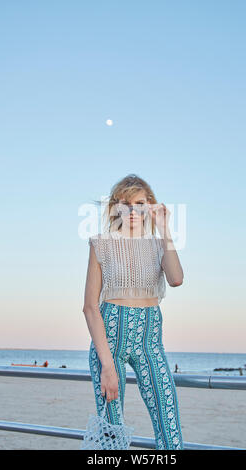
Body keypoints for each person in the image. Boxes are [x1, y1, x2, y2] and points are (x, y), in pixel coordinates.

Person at [83, 174, 184, 450]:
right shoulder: (100, 243)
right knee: (113, 435)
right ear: (115, 207)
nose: (132, 210)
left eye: (139, 203)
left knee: (169, 425)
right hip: (109, 345)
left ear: (150, 206)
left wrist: (165, 229)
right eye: (124, 203)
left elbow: (176, 279)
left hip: (150, 343)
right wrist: (106, 366)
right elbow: (90, 308)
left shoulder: (158, 243)